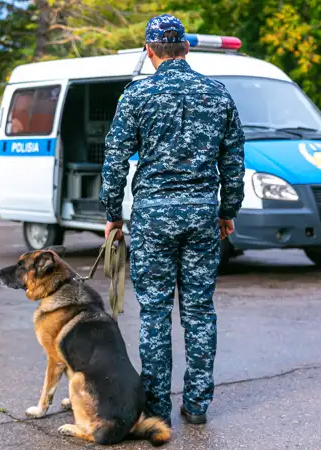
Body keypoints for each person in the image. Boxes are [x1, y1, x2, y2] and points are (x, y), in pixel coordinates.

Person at [98, 14, 245, 425]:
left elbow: (114, 160)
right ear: (186, 47)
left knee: (154, 314)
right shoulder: (217, 94)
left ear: (149, 51)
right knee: (199, 312)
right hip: (201, 216)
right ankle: (196, 405)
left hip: (153, 218)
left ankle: (158, 407)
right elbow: (234, 161)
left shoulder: (136, 95)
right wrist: (227, 211)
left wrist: (113, 215)